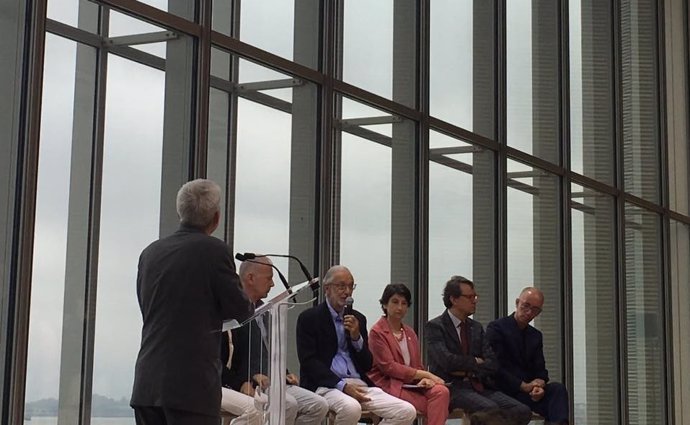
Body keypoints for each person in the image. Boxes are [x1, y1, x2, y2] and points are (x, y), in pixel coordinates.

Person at [130, 179, 254, 425]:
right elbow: (241, 310)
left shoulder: (150, 253)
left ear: (179, 212)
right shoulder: (215, 251)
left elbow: (146, 307)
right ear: (216, 218)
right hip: (192, 388)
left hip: (148, 383)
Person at [295, 265, 417, 425]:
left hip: (359, 384)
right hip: (327, 385)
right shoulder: (309, 318)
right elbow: (309, 362)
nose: (347, 292)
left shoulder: (358, 318)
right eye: (341, 286)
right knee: (352, 408)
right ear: (327, 289)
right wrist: (343, 386)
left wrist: (356, 338)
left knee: (407, 411)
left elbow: (367, 365)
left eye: (350, 286)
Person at [225, 256, 329, 425]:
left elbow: (268, 347)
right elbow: (231, 358)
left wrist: (285, 372)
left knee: (318, 405)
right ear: (250, 278)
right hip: (249, 382)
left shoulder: (266, 310)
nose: (273, 284)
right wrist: (249, 378)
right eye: (269, 278)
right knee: (288, 404)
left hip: (273, 379)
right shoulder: (233, 313)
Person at [425, 275, 531, 425]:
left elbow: (492, 364)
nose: (475, 300)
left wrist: (467, 369)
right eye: (469, 297)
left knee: (521, 410)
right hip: (452, 388)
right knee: (489, 409)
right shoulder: (435, 327)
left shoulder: (476, 327)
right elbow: (447, 362)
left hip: (479, 385)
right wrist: (475, 361)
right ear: (454, 299)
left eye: (475, 296)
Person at [367, 283, 450, 425]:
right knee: (433, 406)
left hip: (411, 384)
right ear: (385, 305)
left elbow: (417, 364)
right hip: (389, 384)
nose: (399, 307)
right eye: (395, 302)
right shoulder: (377, 332)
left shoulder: (410, 332)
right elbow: (389, 367)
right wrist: (426, 375)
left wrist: (424, 380)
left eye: (404, 303)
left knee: (442, 392)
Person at [485, 287, 569, 425]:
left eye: (535, 310)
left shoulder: (535, 335)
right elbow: (495, 368)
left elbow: (541, 370)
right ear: (517, 302)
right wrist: (522, 385)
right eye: (526, 306)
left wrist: (539, 385)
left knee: (557, 390)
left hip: (529, 392)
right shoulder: (497, 328)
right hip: (505, 389)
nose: (529, 312)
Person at [220, 331, 261, 425]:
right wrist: (239, 384)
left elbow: (242, 359)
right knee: (254, 408)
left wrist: (246, 381)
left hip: (230, 382)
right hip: (211, 384)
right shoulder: (210, 324)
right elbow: (215, 364)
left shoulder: (234, 327)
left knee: (265, 404)